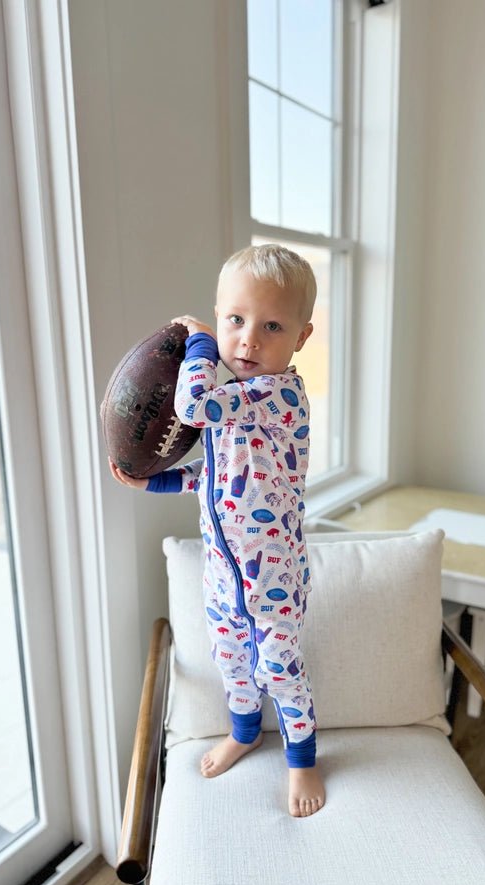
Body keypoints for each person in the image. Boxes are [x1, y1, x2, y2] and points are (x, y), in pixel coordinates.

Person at [109, 244, 325, 817]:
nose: (249, 339)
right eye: (236, 320)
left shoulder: (275, 396)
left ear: (302, 337)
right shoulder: (237, 406)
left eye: (272, 325)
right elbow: (209, 478)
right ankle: (245, 730)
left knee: (279, 667)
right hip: (223, 574)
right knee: (231, 659)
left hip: (272, 576)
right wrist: (150, 484)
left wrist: (202, 339)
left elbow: (193, 403)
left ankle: (302, 760)